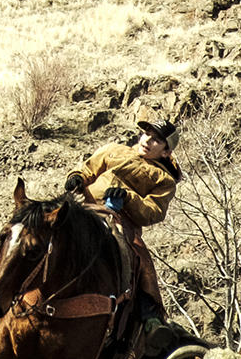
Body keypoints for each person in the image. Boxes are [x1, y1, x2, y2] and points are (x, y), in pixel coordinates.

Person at [66, 118, 181, 338]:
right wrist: (76, 177)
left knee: (140, 254)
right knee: (35, 222)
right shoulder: (114, 149)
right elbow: (88, 168)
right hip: (82, 206)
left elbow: (153, 211)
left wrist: (128, 198)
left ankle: (151, 316)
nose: (148, 140)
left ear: (166, 152)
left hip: (120, 221)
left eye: (157, 140)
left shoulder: (164, 180)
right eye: (147, 133)